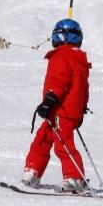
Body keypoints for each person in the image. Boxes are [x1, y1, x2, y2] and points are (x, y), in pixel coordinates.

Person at [21, 19, 92, 193]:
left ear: (61, 36)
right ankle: (33, 172)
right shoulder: (79, 58)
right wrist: (81, 109)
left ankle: (75, 178)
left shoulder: (62, 55)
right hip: (66, 111)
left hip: (61, 109)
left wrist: (49, 100)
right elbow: (84, 88)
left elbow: (59, 80)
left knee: (63, 145)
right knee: (42, 140)